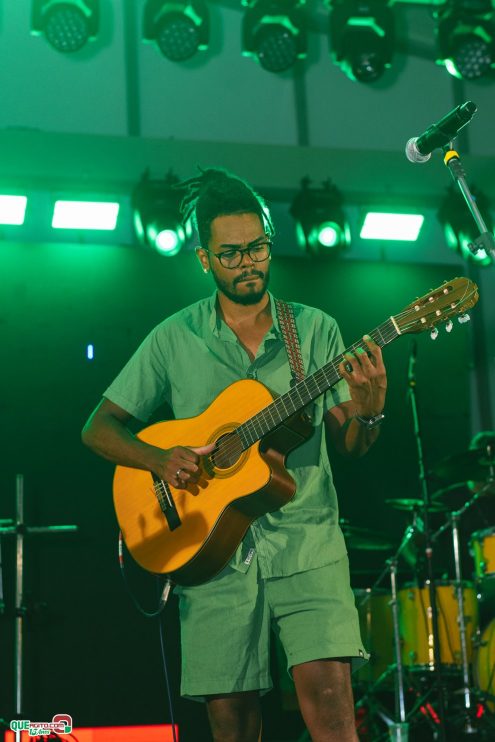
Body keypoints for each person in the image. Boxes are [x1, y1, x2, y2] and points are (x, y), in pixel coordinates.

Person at [82, 168, 387, 742]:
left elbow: (353, 443)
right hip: (210, 550)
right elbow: (98, 429)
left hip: (309, 544)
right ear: (203, 259)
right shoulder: (174, 337)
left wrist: (369, 411)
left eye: (258, 247)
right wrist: (159, 459)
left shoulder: (315, 329)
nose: (248, 262)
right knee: (233, 728)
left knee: (335, 722)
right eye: (231, 254)